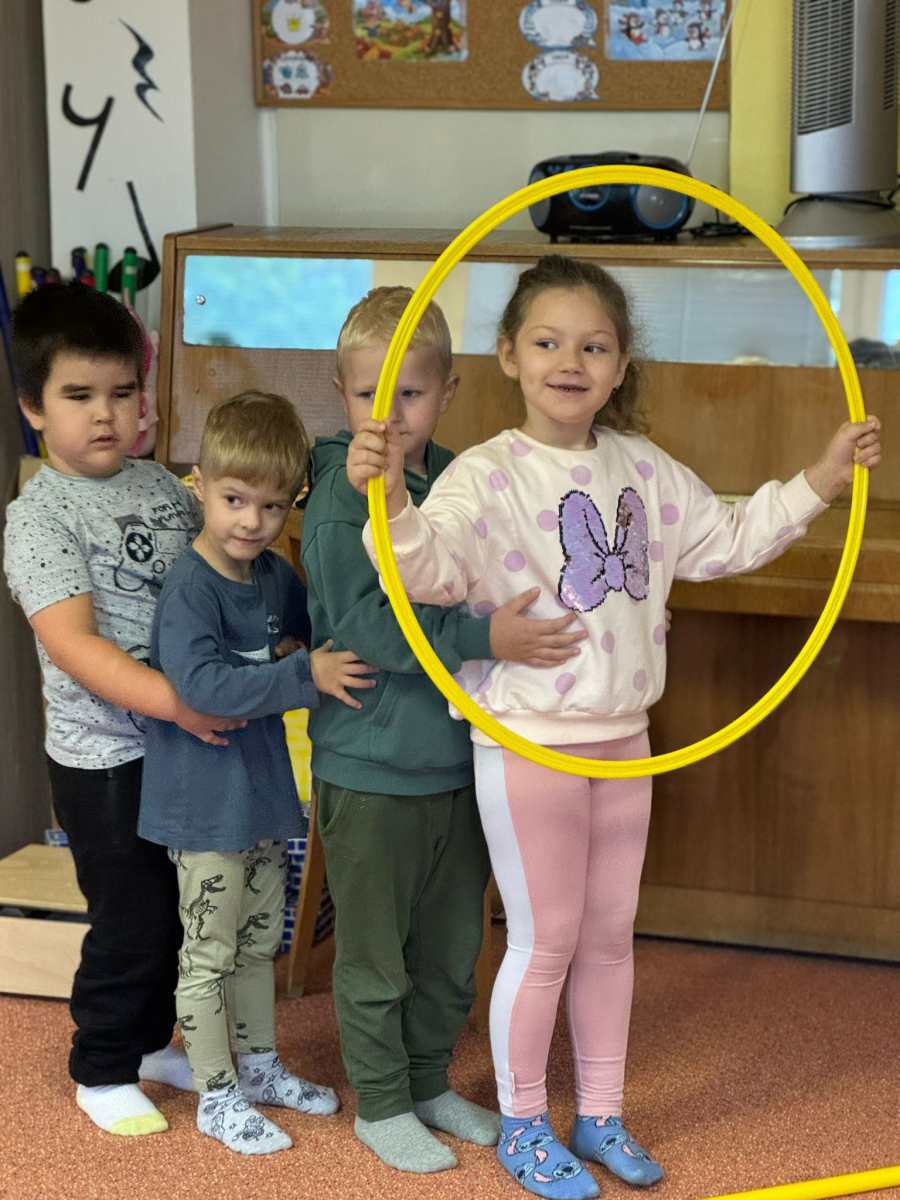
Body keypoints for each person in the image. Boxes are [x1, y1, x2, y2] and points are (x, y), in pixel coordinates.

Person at [348, 255, 883, 1198]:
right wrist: (389, 498)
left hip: (624, 739)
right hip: (528, 742)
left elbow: (726, 538)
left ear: (621, 363)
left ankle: (599, 1113)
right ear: (509, 355)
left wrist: (821, 478)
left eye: (594, 346)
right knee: (545, 938)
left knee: (608, 936)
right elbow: (424, 570)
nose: (571, 361)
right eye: (548, 342)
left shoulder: (645, 468)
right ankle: (523, 1125)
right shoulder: (485, 474)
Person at [300, 286, 586, 1174]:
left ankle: (426, 1082)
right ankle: (382, 1103)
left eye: (412, 395)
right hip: (372, 769)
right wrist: (480, 639)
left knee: (452, 950)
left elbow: (505, 573)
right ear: (340, 394)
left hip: (460, 765)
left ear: (448, 392)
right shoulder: (340, 496)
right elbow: (369, 627)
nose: (388, 418)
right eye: (368, 397)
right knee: (376, 957)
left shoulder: (462, 481)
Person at [3, 283, 247, 1137]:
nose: (105, 414)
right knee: (131, 917)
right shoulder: (36, 519)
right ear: (33, 406)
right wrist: (180, 704)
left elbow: (213, 576)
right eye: (78, 395)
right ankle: (102, 1066)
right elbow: (75, 644)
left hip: (182, 745)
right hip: (104, 758)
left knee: (182, 911)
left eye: (122, 391)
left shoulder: (166, 489)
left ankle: (148, 1044)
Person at [138, 392, 374, 1154]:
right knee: (208, 954)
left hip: (265, 799)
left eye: (273, 506)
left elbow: (305, 636)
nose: (252, 521)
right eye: (235, 499)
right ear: (200, 484)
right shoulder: (190, 588)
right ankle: (216, 1094)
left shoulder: (274, 575)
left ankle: (261, 1067)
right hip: (203, 810)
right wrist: (301, 674)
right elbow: (201, 687)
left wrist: (299, 657)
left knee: (257, 943)